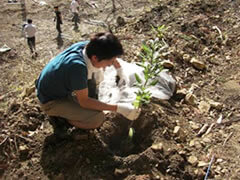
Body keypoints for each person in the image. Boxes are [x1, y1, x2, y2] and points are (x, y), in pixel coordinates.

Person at [35, 32, 140, 134]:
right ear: (95, 58)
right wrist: (119, 108)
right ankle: (62, 120)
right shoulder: (78, 68)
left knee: (94, 81)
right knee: (97, 119)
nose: (109, 65)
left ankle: (74, 110)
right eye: (109, 62)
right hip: (50, 100)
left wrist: (119, 71)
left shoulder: (89, 47)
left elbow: (111, 57)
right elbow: (84, 102)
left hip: (52, 85)